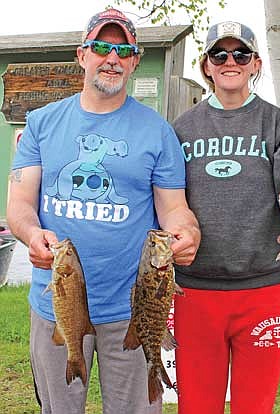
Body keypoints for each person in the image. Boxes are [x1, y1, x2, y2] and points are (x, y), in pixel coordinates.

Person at [7, 8, 200, 414]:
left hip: (132, 310)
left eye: (122, 50)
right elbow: (20, 204)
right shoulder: (41, 123)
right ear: (82, 55)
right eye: (100, 46)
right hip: (55, 304)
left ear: (132, 60)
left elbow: (175, 210)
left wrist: (186, 233)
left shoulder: (157, 131)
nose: (111, 57)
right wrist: (30, 234)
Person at [172, 21, 280, 414]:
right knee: (196, 405)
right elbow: (165, 201)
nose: (230, 62)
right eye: (219, 54)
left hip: (264, 292)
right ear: (206, 66)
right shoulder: (180, 130)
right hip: (194, 291)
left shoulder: (278, 125)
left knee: (254, 405)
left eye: (240, 54)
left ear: (256, 63)